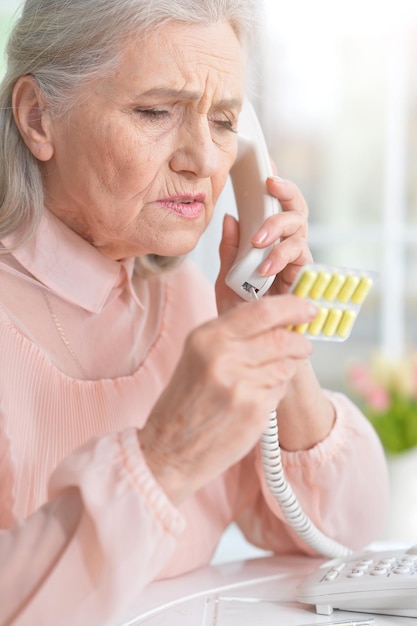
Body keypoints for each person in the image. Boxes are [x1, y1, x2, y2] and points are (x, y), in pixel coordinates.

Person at [0, 0, 389, 624]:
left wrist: (272, 323)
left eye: (225, 121)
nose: (205, 160)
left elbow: (344, 530)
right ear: (38, 117)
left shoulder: (190, 303)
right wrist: (164, 458)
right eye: (155, 112)